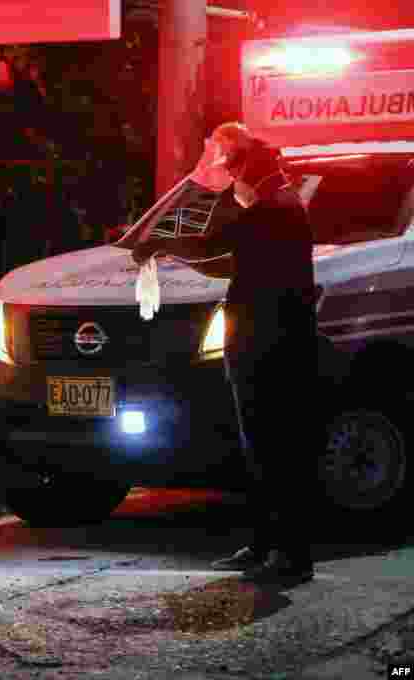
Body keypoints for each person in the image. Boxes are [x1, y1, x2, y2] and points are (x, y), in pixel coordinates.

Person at [132, 121, 319, 588]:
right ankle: (266, 544)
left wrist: (157, 240)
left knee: (274, 449)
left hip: (268, 345)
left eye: (234, 171)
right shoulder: (280, 205)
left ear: (248, 172)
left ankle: (290, 553)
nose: (232, 181)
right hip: (269, 341)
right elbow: (219, 249)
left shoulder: (271, 210)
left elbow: (210, 245)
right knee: (264, 448)